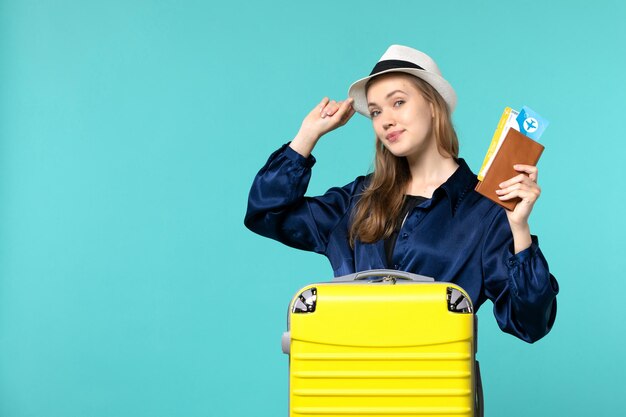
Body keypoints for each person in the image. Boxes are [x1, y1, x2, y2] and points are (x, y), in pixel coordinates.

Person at [244, 45, 558, 343]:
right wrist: (306, 136)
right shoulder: (357, 200)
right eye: (377, 112)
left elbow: (530, 323)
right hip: (347, 385)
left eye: (398, 102)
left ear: (434, 106)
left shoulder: (484, 213)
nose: (386, 121)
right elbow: (266, 214)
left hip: (434, 390)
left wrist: (519, 229)